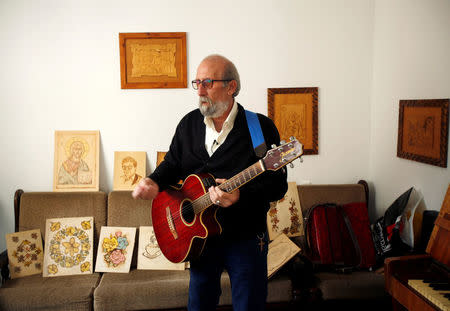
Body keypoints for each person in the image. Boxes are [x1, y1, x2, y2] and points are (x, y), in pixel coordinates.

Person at [132, 54, 288, 311]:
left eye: (207, 82)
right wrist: (154, 181)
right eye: (197, 83)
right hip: (200, 239)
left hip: (246, 237)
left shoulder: (259, 128)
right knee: (199, 305)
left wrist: (240, 196)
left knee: (249, 305)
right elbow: (172, 163)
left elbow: (277, 186)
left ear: (231, 87)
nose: (200, 91)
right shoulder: (189, 124)